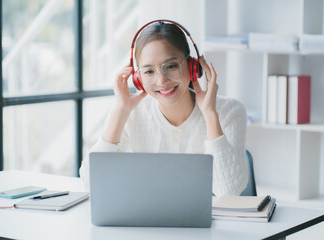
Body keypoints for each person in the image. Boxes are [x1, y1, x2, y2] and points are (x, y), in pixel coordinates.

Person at [80, 20, 248, 197]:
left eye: (171, 66)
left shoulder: (230, 111)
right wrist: (121, 112)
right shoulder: (128, 113)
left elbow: (229, 193)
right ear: (138, 79)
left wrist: (210, 113)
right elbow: (90, 185)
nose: (161, 81)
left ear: (192, 67)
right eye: (149, 72)